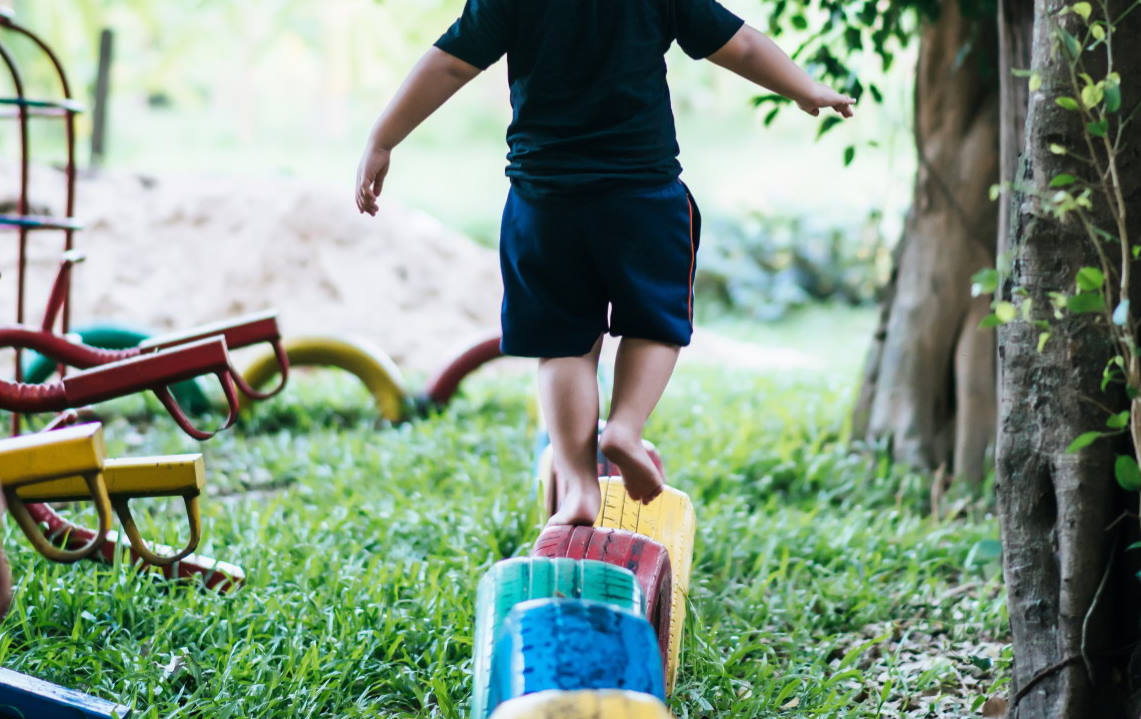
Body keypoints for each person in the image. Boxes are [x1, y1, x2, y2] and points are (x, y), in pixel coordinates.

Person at [355, 0, 854, 526]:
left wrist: (382, 139)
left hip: (544, 201)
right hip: (642, 194)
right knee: (655, 323)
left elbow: (451, 62)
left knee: (562, 345)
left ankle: (577, 487)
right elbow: (742, 43)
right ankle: (625, 428)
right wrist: (804, 86)